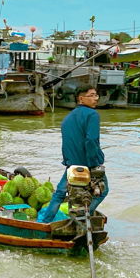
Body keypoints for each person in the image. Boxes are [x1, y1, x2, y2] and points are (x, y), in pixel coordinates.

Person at [38, 85, 109, 223]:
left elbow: (67, 142)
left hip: (72, 164)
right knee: (103, 191)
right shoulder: (92, 115)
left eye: (96, 95)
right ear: (81, 99)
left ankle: (45, 222)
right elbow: (91, 140)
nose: (96, 99)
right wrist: (94, 163)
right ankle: (82, 216)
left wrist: (69, 162)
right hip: (88, 164)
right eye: (92, 95)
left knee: (60, 193)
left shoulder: (68, 118)